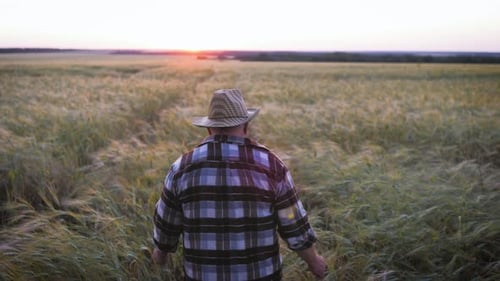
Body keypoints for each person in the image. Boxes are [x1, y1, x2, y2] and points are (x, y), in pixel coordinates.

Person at [152, 88, 327, 280]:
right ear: (246, 125)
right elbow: (293, 221)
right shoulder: (272, 166)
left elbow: (166, 225)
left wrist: (161, 254)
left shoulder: (181, 168)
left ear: (209, 128)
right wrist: (314, 262)